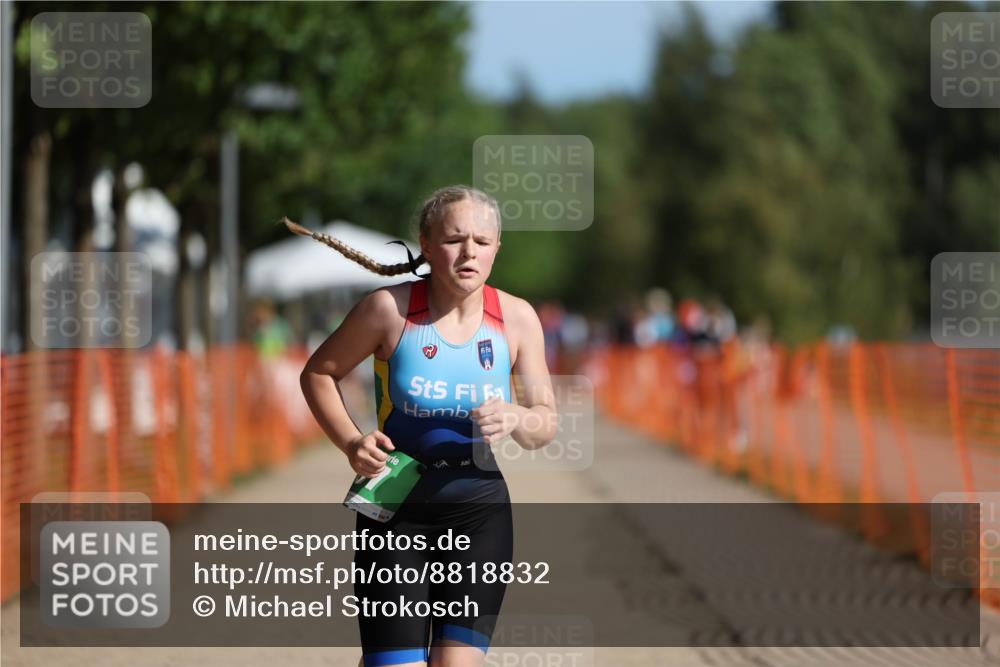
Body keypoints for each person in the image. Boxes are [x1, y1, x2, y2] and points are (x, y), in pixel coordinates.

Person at [293, 185, 557, 667]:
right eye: (456, 239)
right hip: (394, 511)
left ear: (498, 248)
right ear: (428, 243)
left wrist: (518, 416)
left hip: (477, 512)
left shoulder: (516, 318)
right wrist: (352, 441)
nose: (469, 252)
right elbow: (318, 373)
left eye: (482, 241)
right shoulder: (389, 310)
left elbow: (546, 425)